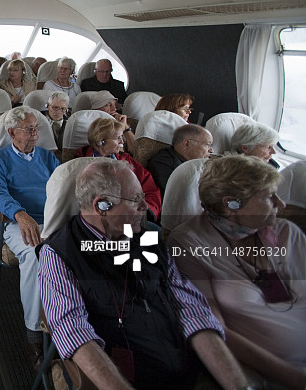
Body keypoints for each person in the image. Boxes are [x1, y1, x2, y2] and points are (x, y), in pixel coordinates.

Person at [38, 158, 250, 390]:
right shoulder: (60, 253)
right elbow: (74, 331)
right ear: (103, 206)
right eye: (136, 200)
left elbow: (190, 308)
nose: (145, 208)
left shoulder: (150, 238)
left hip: (182, 360)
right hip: (122, 375)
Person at [168, 155, 306, 389]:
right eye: (268, 197)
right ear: (231, 204)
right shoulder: (189, 243)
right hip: (268, 372)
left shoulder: (286, 231)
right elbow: (212, 326)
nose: (280, 205)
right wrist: (296, 378)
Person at [0, 107, 60, 366]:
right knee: (36, 256)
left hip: (52, 219)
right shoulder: (0, 160)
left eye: (36, 128)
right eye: (29, 129)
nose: (35, 134)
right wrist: (20, 214)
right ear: (12, 132)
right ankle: (34, 334)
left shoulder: (48, 159)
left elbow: (62, 188)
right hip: (17, 222)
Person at [75, 118, 162, 221]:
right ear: (101, 141)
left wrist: (145, 212)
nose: (122, 142)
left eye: (122, 137)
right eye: (117, 139)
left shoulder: (127, 160)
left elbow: (150, 189)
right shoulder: (81, 162)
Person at [146, 124, 213, 198]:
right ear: (187, 143)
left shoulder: (197, 163)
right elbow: (174, 197)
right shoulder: (161, 164)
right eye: (208, 144)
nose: (211, 150)